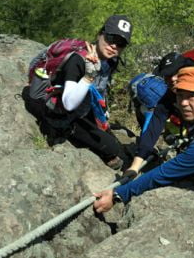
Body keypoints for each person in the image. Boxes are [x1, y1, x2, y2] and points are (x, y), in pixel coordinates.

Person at [94, 66, 194, 213]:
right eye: (180, 95)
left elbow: (161, 175)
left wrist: (117, 194)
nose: (183, 103)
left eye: (191, 96)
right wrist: (135, 166)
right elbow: (154, 125)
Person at [22, 15, 133, 170]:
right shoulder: (78, 60)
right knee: (112, 148)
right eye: (111, 38)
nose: (114, 46)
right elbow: (68, 103)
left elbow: (100, 89)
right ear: (100, 34)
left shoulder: (110, 61)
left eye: (120, 43)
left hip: (81, 103)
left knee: (107, 135)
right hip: (56, 107)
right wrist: (88, 76)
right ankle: (59, 129)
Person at [125, 50, 194, 177]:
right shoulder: (169, 96)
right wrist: (135, 166)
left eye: (176, 73)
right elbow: (153, 129)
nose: (173, 79)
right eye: (167, 76)